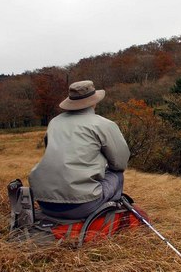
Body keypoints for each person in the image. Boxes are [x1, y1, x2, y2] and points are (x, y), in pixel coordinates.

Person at [29, 80, 130, 219]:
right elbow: (120, 163)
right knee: (117, 174)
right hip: (81, 206)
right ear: (94, 101)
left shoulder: (54, 122)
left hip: (44, 203)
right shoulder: (104, 124)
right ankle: (108, 213)